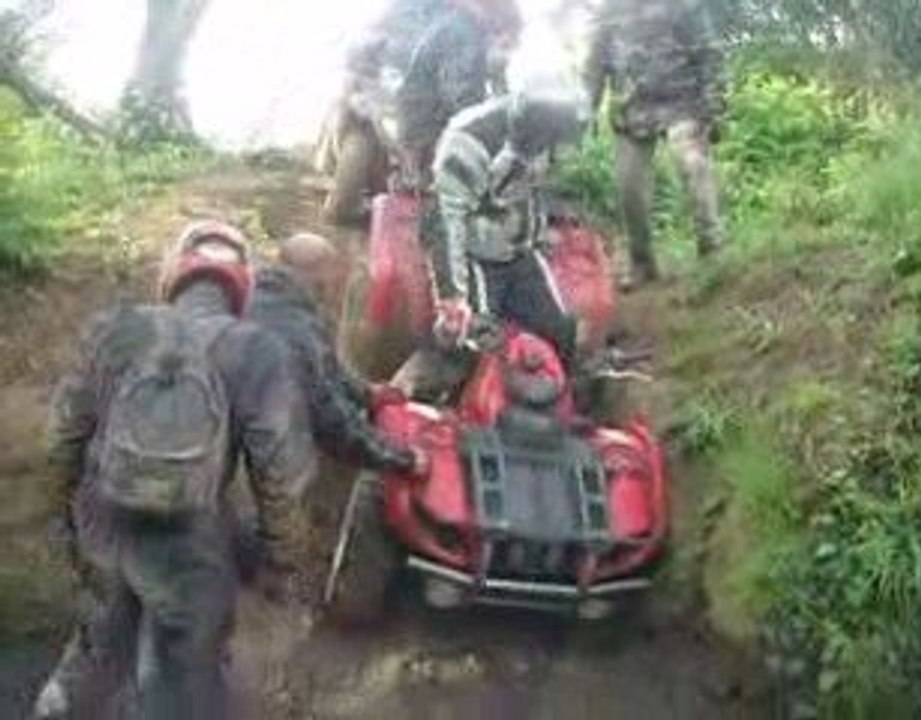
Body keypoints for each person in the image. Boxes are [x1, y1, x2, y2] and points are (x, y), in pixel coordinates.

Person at [34, 222, 319, 720]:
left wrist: (63, 524)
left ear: (174, 274)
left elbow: (61, 441)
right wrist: (280, 562)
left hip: (103, 524)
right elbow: (283, 478)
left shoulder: (115, 330)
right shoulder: (257, 349)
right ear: (241, 285)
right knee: (187, 675)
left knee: (96, 646)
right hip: (192, 541)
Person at [393, 85, 588, 401]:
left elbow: (533, 186)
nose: (551, 147)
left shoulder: (547, 136)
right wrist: (452, 300)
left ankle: (563, 411)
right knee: (467, 341)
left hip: (519, 249)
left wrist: (545, 224)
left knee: (561, 331)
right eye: (548, 138)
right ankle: (409, 400)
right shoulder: (468, 143)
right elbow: (444, 221)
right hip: (474, 251)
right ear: (530, 123)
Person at [319, 0, 521, 223]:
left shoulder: (474, 27)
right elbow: (367, 40)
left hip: (424, 106)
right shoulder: (424, 16)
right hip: (395, 94)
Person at [247, 232, 423, 474]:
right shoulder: (299, 330)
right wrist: (403, 459)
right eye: (332, 274)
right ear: (318, 272)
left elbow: (329, 371)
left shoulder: (257, 300)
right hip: (257, 456)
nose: (335, 284)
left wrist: (367, 394)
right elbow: (331, 420)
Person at [584, 0, 726, 288]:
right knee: (629, 188)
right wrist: (586, 110)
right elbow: (595, 65)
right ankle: (642, 264)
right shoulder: (609, 11)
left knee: (692, 163)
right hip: (631, 112)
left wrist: (714, 108)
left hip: (683, 103)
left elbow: (709, 53)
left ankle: (713, 248)